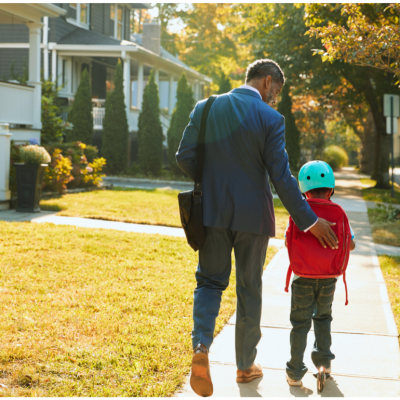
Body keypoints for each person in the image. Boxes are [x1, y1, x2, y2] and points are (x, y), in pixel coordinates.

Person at [176, 59, 339, 397]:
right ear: (267, 82)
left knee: (208, 281)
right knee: (249, 289)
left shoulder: (205, 108)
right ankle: (245, 365)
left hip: (211, 213)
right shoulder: (269, 119)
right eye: (275, 92)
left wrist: (211, 180)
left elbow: (184, 156)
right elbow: (281, 176)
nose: (274, 100)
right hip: (253, 218)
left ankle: (201, 348)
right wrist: (309, 220)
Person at [285, 161, 356, 387]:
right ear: (331, 188)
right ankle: (324, 364)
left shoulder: (300, 212)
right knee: (323, 318)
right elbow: (350, 244)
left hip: (302, 277)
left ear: (303, 190)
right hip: (328, 279)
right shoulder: (338, 212)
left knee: (300, 323)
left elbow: (288, 240)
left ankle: (295, 373)